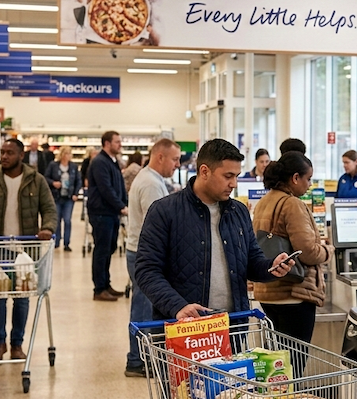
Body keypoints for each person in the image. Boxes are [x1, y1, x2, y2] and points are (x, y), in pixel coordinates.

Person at [135, 138, 296, 321]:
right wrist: (177, 306)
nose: (234, 184)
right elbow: (147, 270)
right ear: (204, 171)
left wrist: (271, 266)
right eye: (228, 176)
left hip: (233, 326)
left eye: (236, 176)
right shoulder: (164, 211)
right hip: (185, 330)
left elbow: (252, 261)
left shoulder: (239, 211)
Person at [0, 139, 56, 362]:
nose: (4, 156)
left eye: (10, 152)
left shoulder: (36, 180)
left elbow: (49, 209)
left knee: (22, 297)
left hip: (25, 250)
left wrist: (47, 228)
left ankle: (17, 344)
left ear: (21, 155)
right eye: (2, 152)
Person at [252, 152, 333, 344]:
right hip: (293, 293)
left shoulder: (263, 202)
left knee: (278, 362)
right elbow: (307, 253)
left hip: (267, 292)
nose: (310, 185)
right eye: (308, 179)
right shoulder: (292, 204)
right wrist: (328, 251)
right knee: (296, 362)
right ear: (295, 178)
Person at [123, 138, 181, 378]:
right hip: (144, 255)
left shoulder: (152, 179)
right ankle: (137, 360)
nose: (177, 164)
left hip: (137, 251)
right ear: (160, 157)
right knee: (145, 310)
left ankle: (141, 358)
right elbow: (157, 225)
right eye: (175, 159)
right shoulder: (150, 184)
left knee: (144, 306)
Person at [87, 131, 128, 301]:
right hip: (101, 213)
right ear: (107, 143)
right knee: (102, 250)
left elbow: (118, 185)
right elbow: (105, 188)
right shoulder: (99, 162)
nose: (120, 144)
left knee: (109, 249)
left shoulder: (112, 161)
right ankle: (99, 289)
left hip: (111, 213)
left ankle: (106, 284)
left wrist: (124, 202)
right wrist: (120, 206)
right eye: (117, 142)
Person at [45, 146, 81, 251]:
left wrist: (76, 193)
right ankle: (56, 241)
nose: (68, 156)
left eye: (69, 154)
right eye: (66, 153)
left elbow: (78, 181)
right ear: (61, 154)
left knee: (67, 220)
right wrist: (53, 183)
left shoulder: (73, 167)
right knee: (57, 220)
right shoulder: (53, 165)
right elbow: (46, 178)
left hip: (69, 197)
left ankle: (66, 243)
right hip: (56, 197)